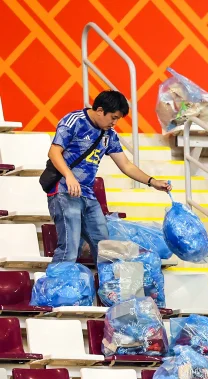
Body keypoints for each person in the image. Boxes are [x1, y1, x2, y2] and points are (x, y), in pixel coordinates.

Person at [45, 90, 171, 263]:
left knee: (105, 248)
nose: (115, 122)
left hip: (87, 194)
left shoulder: (109, 134)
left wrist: (152, 182)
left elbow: (125, 165)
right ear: (99, 110)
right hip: (63, 190)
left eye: (118, 119)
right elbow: (54, 152)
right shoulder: (74, 121)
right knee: (69, 248)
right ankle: (59, 287)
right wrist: (69, 176)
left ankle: (108, 289)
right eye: (113, 117)